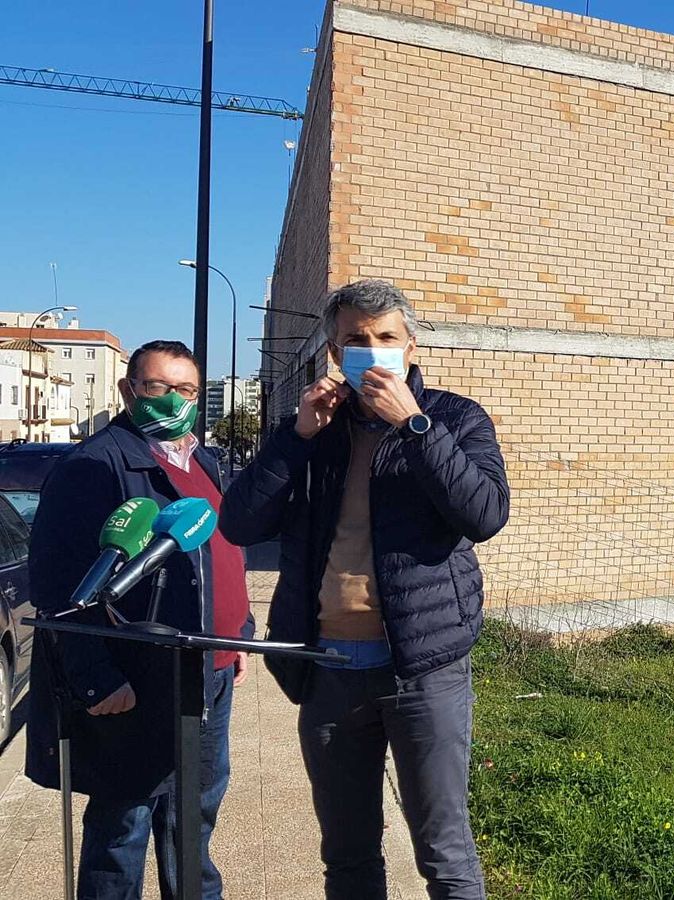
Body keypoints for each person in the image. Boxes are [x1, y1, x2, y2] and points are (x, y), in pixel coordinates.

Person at [221, 280, 509, 900]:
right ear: (334, 349)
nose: (372, 350)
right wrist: (294, 436)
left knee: (445, 851)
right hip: (327, 668)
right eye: (356, 339)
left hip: (422, 670)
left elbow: (484, 515)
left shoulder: (455, 418)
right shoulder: (314, 428)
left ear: (410, 346)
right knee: (347, 854)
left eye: (385, 338)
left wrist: (414, 424)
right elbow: (239, 523)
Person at [26, 340, 251, 900]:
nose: (175, 400)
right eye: (159, 387)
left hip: (207, 671)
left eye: (187, 390)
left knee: (193, 816)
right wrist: (96, 677)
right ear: (129, 391)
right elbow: (57, 587)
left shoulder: (202, 459)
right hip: (137, 678)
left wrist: (236, 635)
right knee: (123, 825)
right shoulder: (93, 466)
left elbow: (218, 553)